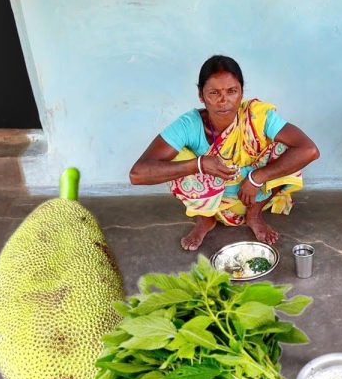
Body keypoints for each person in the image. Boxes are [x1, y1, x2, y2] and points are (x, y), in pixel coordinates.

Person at [130, 55, 319, 250]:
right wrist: (199, 164)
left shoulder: (257, 116)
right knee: (175, 159)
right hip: (213, 199)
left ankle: (254, 215)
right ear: (201, 96)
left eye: (232, 91)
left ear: (241, 92)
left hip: (253, 194)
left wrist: (257, 177)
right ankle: (205, 219)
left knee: (285, 147)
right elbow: (137, 174)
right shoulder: (188, 124)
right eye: (214, 93)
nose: (223, 100)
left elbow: (309, 150)